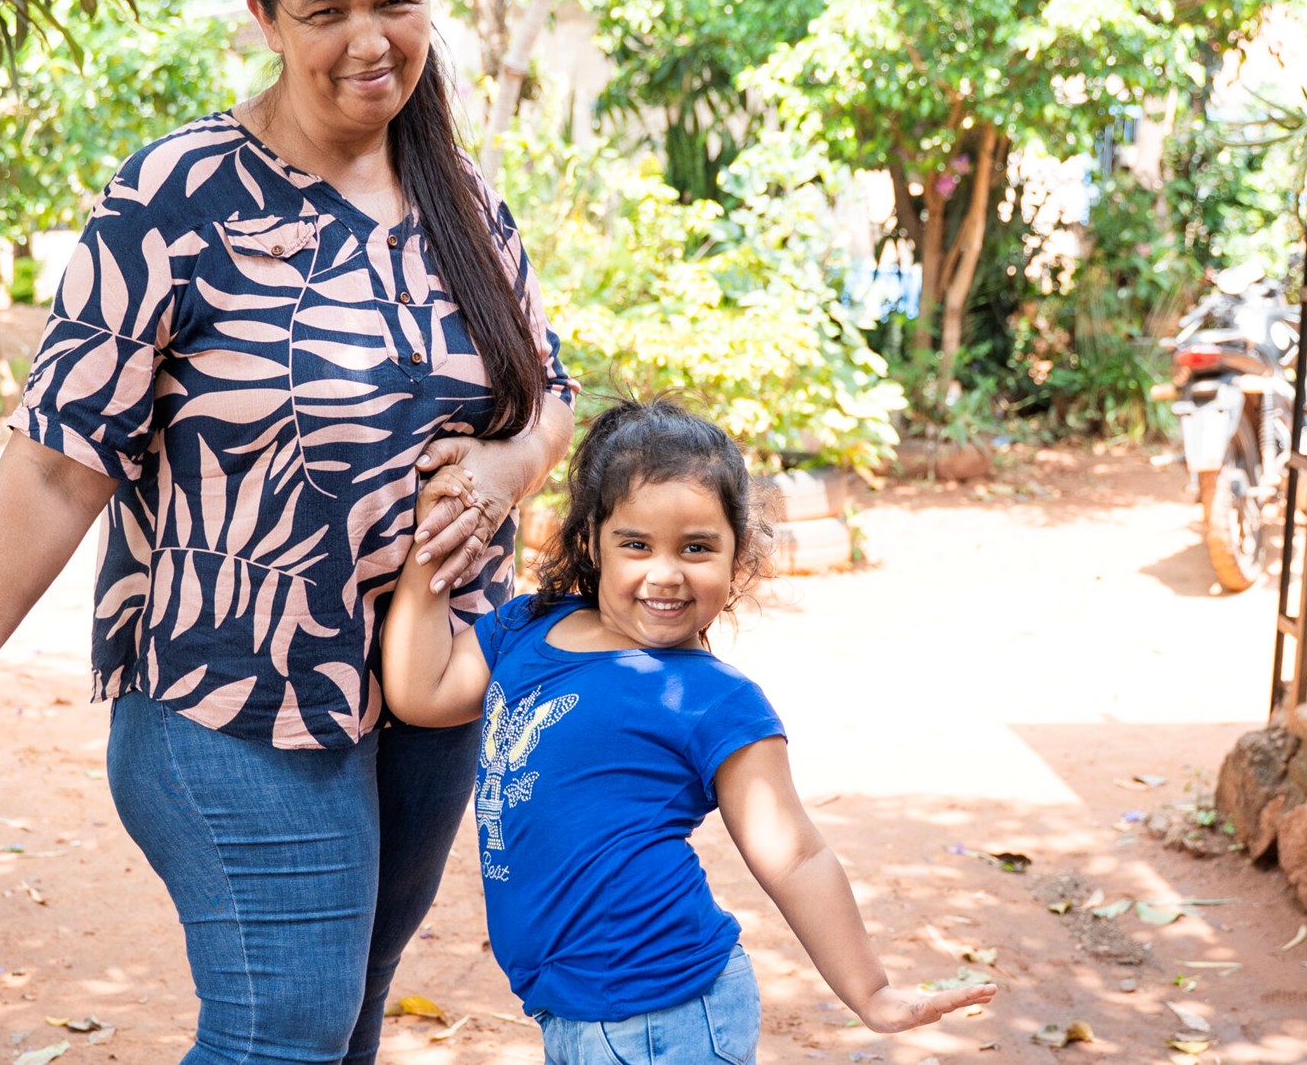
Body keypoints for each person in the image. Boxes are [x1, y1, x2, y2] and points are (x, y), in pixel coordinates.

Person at [0, 0, 576, 1065]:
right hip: (234, 694)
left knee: (348, 1014)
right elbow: (57, 464)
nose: (368, 40)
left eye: (394, 1)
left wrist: (507, 467)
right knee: (285, 1026)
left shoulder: (459, 194)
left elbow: (548, 393)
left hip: (433, 682)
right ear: (266, 18)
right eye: (326, 10)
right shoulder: (174, 198)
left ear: (431, 0)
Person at [383, 399, 997, 1064]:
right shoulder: (527, 626)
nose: (666, 573)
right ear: (591, 541)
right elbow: (421, 693)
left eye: (697, 548)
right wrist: (431, 551)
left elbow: (795, 854)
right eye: (636, 544)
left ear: (738, 554)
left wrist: (871, 993)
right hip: (573, 1013)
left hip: (665, 1017)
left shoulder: (716, 700)